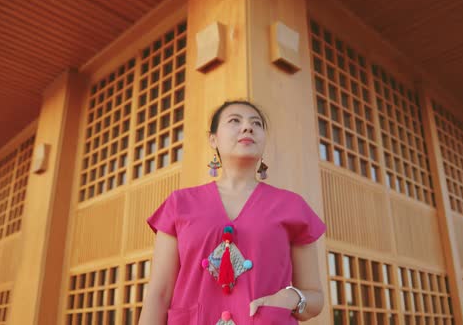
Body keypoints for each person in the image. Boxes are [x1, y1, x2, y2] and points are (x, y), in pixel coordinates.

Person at [138, 100, 326, 324]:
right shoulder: (179, 204)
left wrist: (291, 297)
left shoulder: (293, 206)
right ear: (213, 138)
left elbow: (315, 297)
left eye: (256, 123)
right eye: (235, 120)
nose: (248, 127)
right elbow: (159, 295)